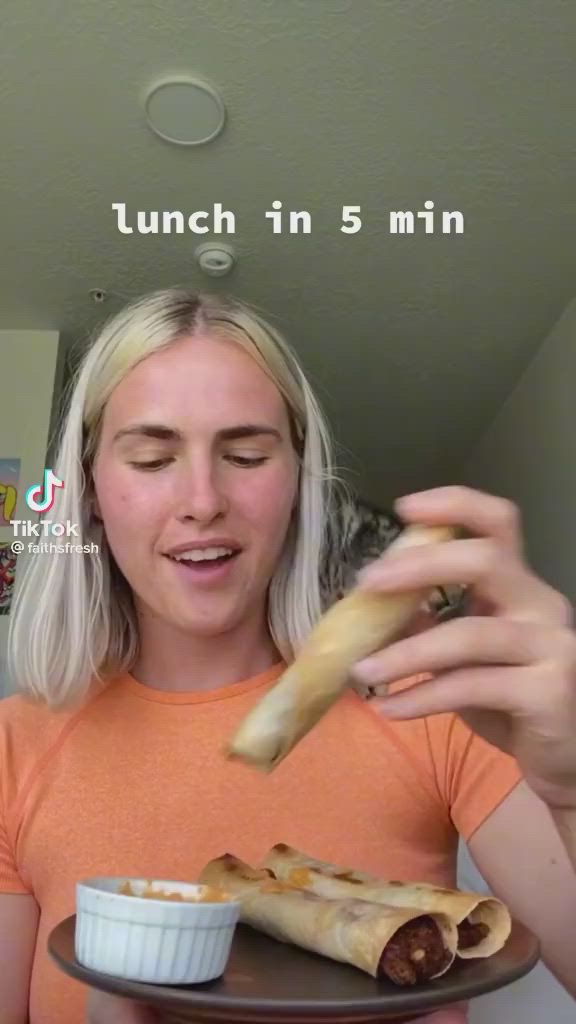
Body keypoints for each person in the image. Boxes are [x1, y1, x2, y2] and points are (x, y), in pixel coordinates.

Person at [1, 289, 574, 1024]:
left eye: (245, 454)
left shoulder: (432, 703)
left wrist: (571, 789)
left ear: (299, 483)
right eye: (152, 457)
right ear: (92, 491)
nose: (203, 499)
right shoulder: (16, 747)